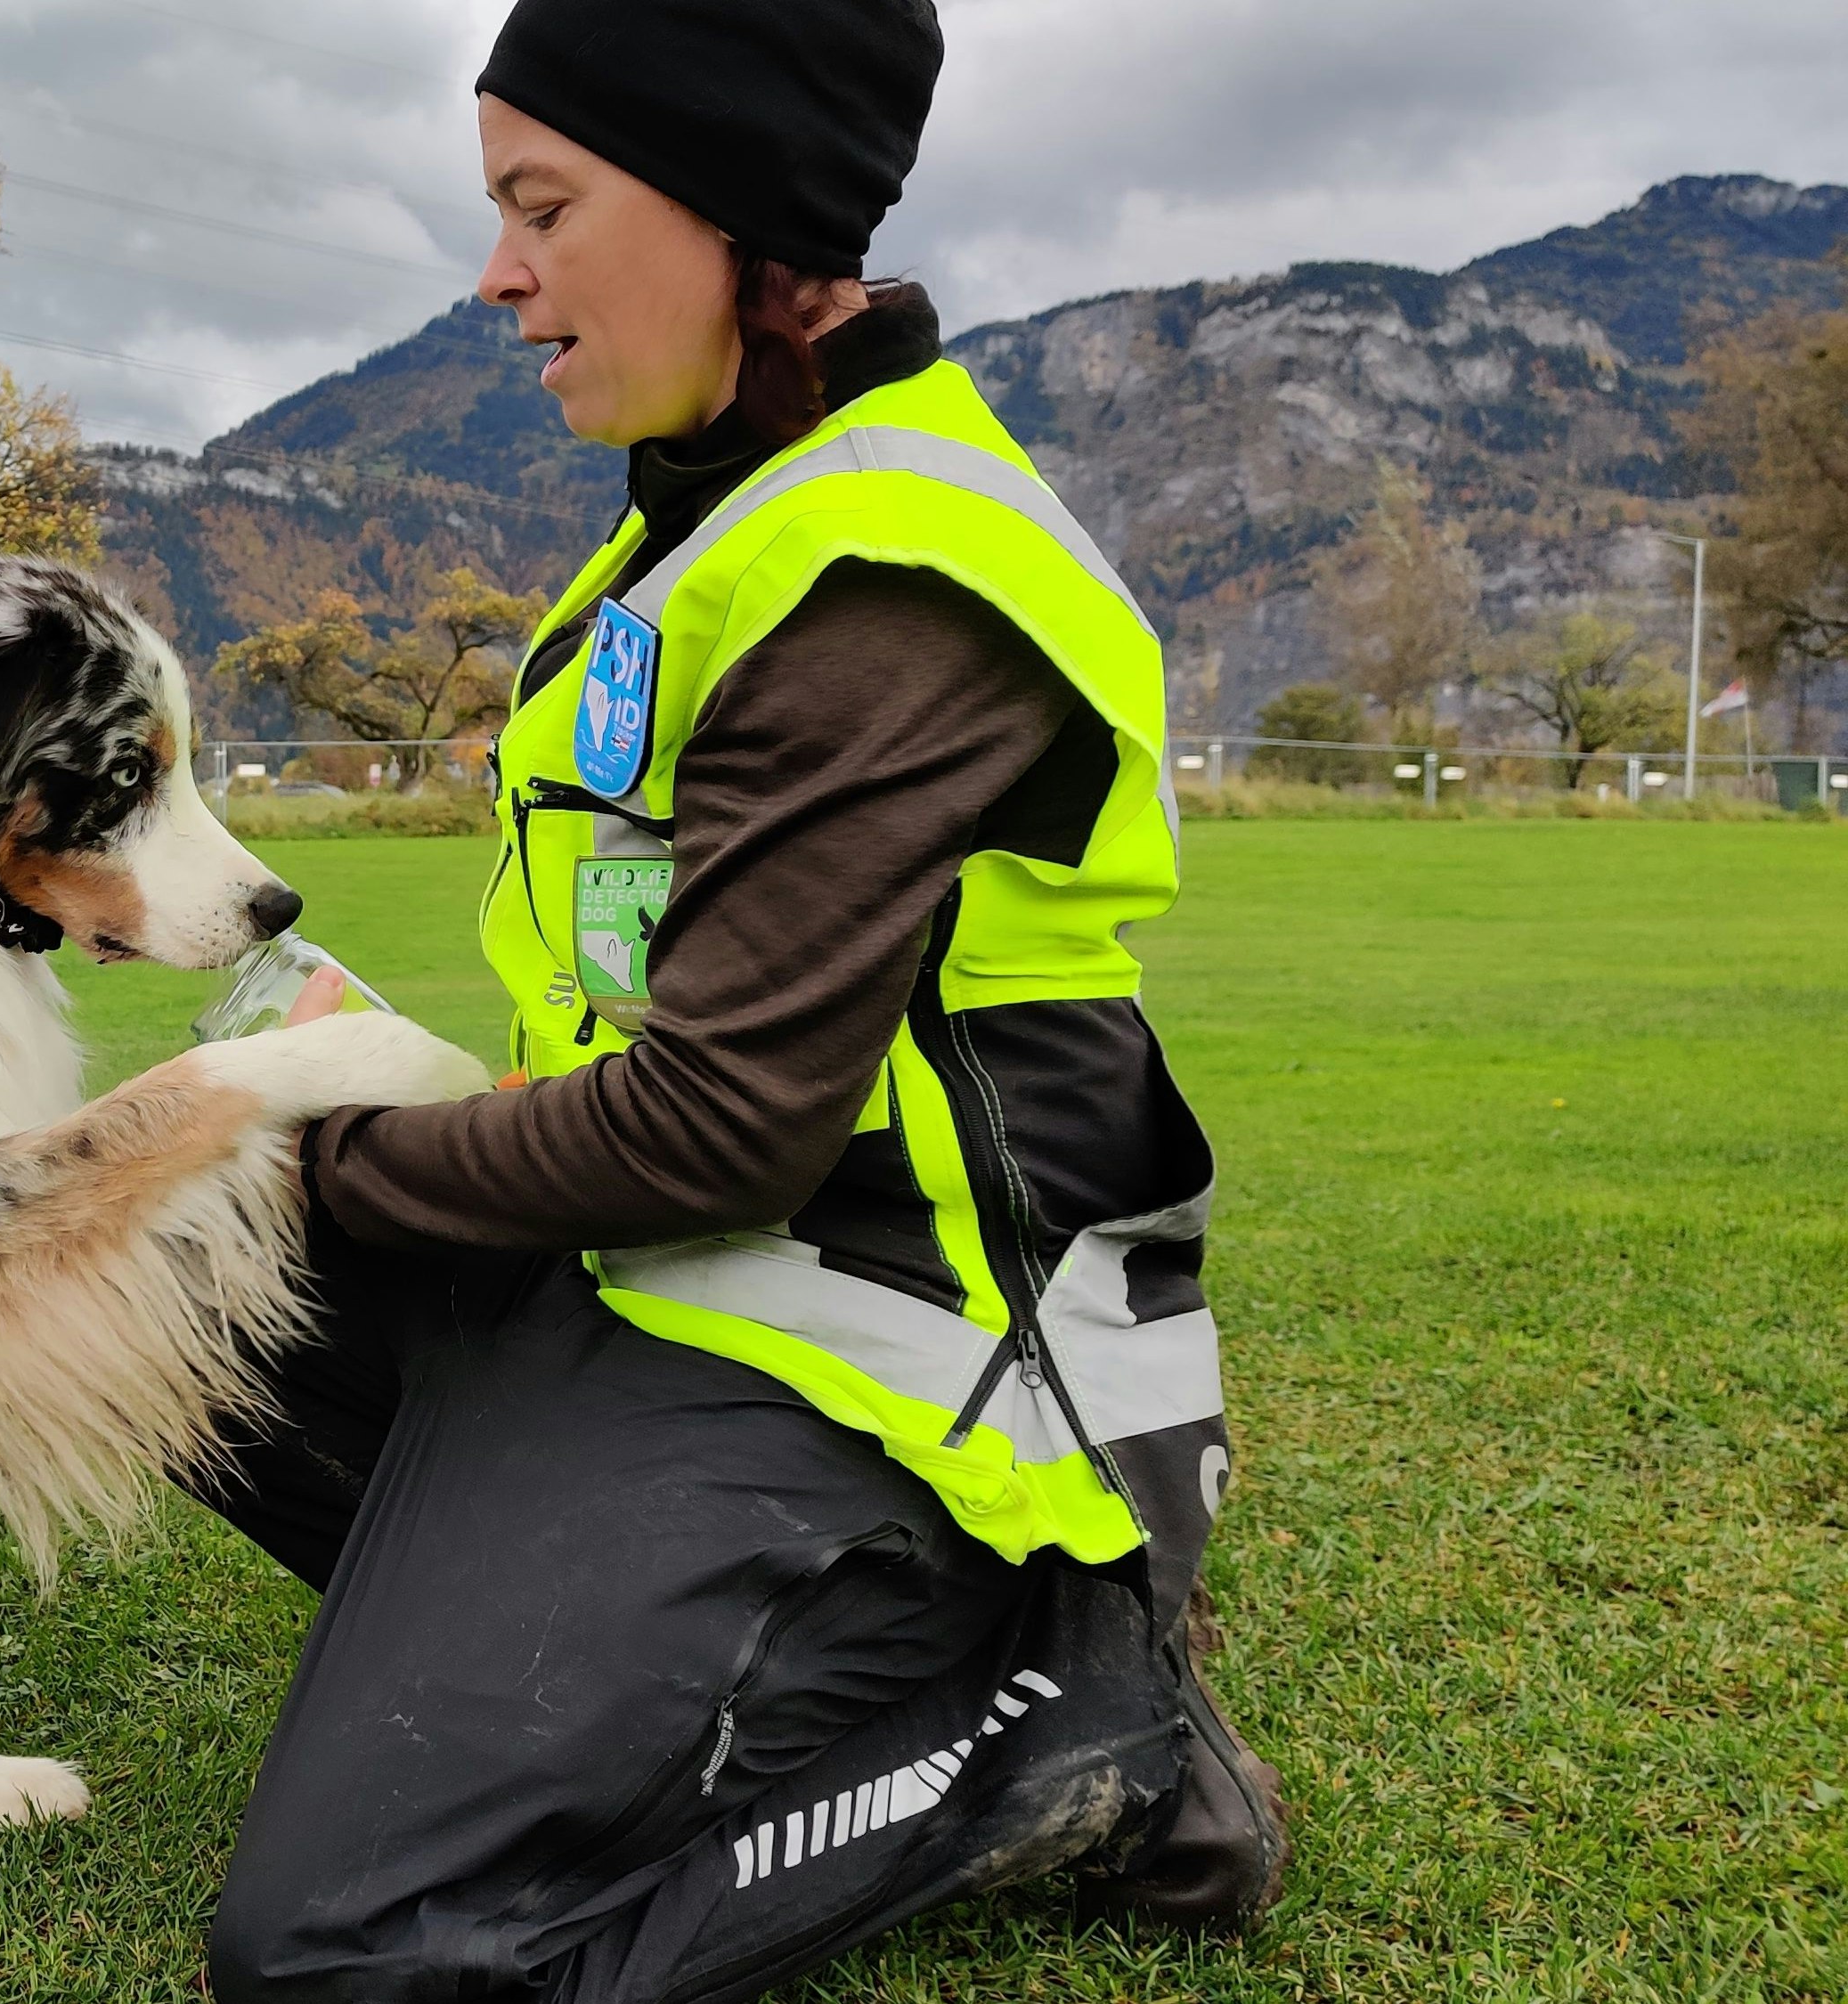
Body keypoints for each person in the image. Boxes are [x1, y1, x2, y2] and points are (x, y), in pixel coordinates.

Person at [178, 3, 1287, 1996]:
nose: (497, 272)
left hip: (881, 1362)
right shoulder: (700, 525)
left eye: (542, 204)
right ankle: (590, 1662)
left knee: (347, 1949)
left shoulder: (891, 567)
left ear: (734, 211)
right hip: (652, 1289)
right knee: (149, 1276)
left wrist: (335, 1157)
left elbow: (716, 1130)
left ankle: (1066, 1713)